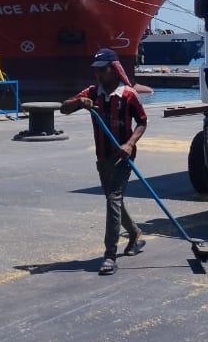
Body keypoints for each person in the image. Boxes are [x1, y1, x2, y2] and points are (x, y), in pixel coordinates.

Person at [60, 47, 148, 274]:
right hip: (102, 157)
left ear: (114, 69)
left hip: (122, 157)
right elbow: (64, 108)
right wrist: (80, 103)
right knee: (114, 200)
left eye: (103, 70)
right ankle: (135, 233)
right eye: (96, 70)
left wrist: (129, 144)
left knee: (113, 199)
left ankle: (110, 255)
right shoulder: (92, 92)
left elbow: (142, 122)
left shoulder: (128, 94)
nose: (99, 74)